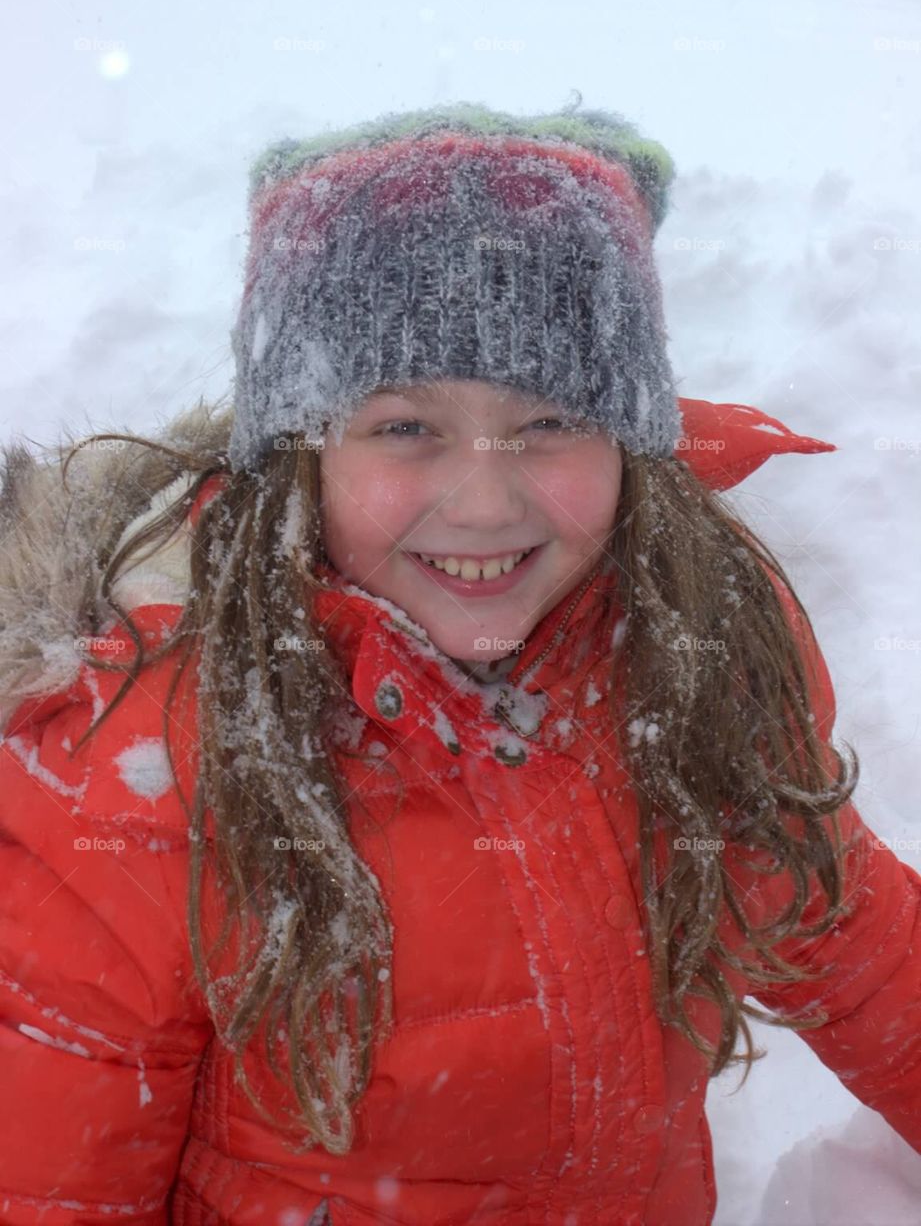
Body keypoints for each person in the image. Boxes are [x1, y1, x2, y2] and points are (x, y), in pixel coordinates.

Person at [0, 102, 918, 1226]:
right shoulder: (144, 758)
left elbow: (855, 942)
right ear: (301, 449)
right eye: (404, 427)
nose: (485, 498)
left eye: (548, 421)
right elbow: (52, 1175)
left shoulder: (685, 648)